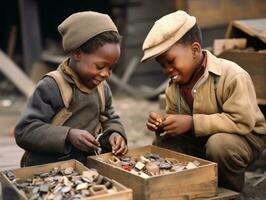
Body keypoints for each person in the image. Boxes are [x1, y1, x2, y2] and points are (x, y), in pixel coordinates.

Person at [142, 10, 266, 192]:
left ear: (195, 50)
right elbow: (177, 123)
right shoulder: (173, 86)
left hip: (244, 138)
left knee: (220, 145)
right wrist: (163, 125)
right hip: (202, 138)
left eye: (170, 61)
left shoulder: (232, 75)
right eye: (162, 65)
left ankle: (228, 192)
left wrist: (192, 123)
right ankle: (190, 188)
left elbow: (242, 121)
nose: (167, 70)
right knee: (163, 145)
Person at [15, 11, 128, 167]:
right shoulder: (51, 86)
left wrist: (115, 133)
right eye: (100, 66)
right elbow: (24, 131)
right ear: (77, 53)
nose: (106, 74)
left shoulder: (102, 88)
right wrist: (67, 135)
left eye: (111, 68)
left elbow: (110, 118)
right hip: (50, 168)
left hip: (88, 166)